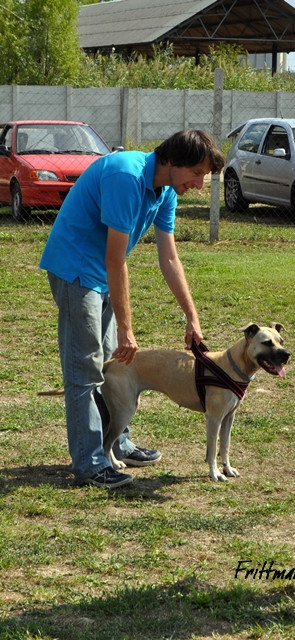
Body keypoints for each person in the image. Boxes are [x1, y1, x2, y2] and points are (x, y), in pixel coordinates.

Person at [40, 130, 225, 489]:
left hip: (102, 272)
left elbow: (169, 257)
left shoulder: (167, 189)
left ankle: (117, 442)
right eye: (197, 173)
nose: (200, 184)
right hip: (75, 270)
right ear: (172, 162)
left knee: (115, 366)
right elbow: (115, 259)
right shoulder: (126, 176)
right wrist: (127, 328)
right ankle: (90, 463)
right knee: (87, 367)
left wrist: (192, 316)